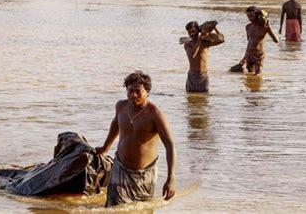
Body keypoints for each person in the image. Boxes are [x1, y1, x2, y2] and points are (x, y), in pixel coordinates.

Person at [96, 71, 176, 207]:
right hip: (120, 168)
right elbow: (116, 124)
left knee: (142, 209)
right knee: (113, 208)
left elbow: (170, 145)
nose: (133, 95)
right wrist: (105, 147)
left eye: (138, 91)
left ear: (147, 92)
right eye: (130, 91)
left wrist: (171, 178)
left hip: (144, 175)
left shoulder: (155, 114)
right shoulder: (121, 106)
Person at [180, 21, 225, 92]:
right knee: (191, 99)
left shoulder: (206, 42)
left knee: (204, 99)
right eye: (189, 32)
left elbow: (221, 40)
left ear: (198, 31)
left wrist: (214, 28)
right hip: (193, 75)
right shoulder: (188, 44)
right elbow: (192, 56)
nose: (191, 34)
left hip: (203, 75)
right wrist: (199, 40)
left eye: (193, 31)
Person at [241, 6, 279, 75]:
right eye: (248, 17)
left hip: (259, 54)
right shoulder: (248, 27)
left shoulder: (265, 28)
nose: (250, 18)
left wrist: (269, 30)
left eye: (252, 16)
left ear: (257, 15)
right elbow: (249, 42)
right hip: (249, 53)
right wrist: (244, 57)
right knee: (249, 75)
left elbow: (276, 40)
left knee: (257, 74)